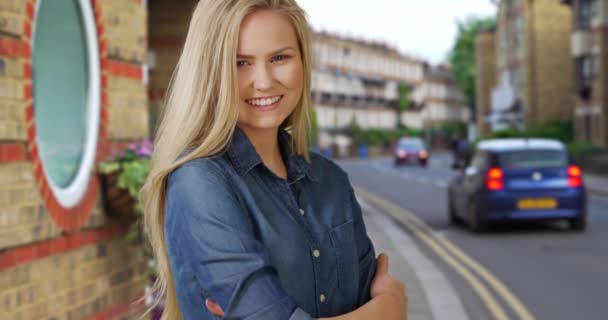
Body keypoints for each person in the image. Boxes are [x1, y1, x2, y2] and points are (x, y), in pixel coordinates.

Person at [140, 0, 407, 319]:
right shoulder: (198, 181)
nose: (264, 81)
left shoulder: (332, 181)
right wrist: (388, 308)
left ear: (303, 61)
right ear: (210, 72)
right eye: (240, 63)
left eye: (280, 57)